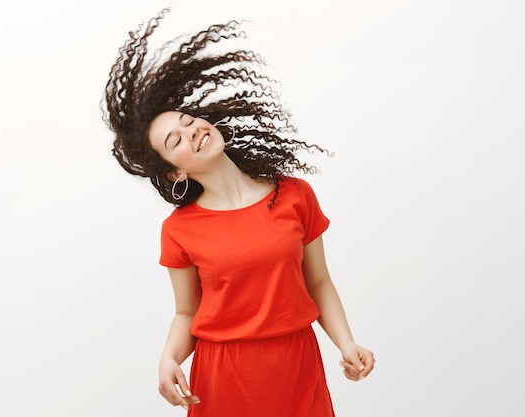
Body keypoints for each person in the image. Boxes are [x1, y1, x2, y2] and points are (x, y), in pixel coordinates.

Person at [103, 8, 375, 417]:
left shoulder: (294, 195)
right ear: (175, 170)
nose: (191, 130)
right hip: (224, 375)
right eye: (175, 139)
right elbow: (186, 312)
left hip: (297, 365)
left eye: (188, 120)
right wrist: (168, 358)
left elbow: (318, 281)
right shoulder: (179, 230)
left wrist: (347, 342)